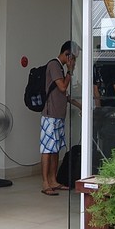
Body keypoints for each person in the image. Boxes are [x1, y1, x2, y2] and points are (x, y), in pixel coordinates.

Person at [40, 41, 79, 196]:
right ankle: (45, 182)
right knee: (47, 149)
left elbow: (63, 94)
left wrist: (79, 105)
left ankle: (53, 180)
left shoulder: (60, 68)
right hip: (50, 115)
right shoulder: (54, 65)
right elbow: (62, 87)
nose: (74, 61)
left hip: (59, 115)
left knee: (55, 149)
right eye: (73, 58)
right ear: (67, 54)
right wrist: (70, 71)